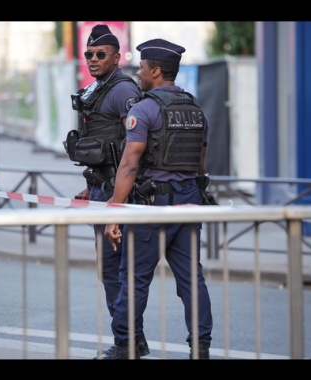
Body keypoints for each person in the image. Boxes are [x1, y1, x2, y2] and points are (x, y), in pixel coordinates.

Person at [100, 38, 213, 360]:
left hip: (151, 206)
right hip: (189, 203)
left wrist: (114, 214)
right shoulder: (195, 109)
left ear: (156, 70)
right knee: (192, 279)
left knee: (134, 280)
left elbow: (130, 163)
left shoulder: (144, 108)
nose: (138, 72)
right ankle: (200, 348)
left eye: (142, 67)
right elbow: (201, 163)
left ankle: (126, 346)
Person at [63, 25, 150, 357]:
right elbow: (103, 147)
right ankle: (131, 339)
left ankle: (127, 341)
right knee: (110, 270)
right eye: (89, 54)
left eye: (101, 54)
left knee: (118, 271)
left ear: (117, 56)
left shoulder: (122, 90)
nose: (93, 59)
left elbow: (135, 146)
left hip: (118, 195)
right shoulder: (99, 89)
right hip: (102, 191)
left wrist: (118, 197)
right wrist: (91, 187)